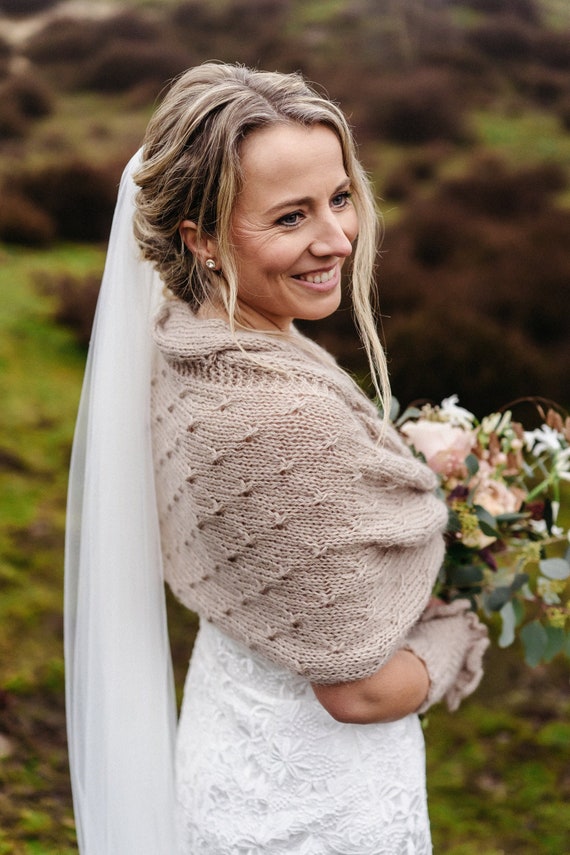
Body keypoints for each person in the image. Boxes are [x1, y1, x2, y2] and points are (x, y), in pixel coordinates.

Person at [65, 62, 489, 855]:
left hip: (232, 735)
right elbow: (359, 691)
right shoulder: (277, 419)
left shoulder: (189, 330)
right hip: (316, 805)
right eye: (290, 217)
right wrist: (463, 631)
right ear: (202, 239)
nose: (336, 238)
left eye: (338, 197)